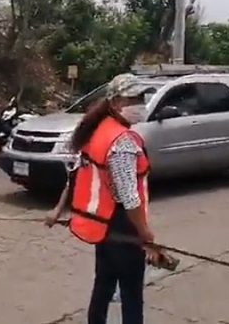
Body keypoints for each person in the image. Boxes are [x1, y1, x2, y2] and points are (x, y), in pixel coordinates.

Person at [45, 73, 165, 324]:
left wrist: (58, 210)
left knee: (104, 285)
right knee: (132, 295)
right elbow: (129, 198)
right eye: (133, 99)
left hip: (103, 226)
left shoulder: (98, 131)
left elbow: (75, 175)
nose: (140, 104)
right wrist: (147, 237)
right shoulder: (122, 141)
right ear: (115, 103)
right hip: (122, 225)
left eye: (141, 97)